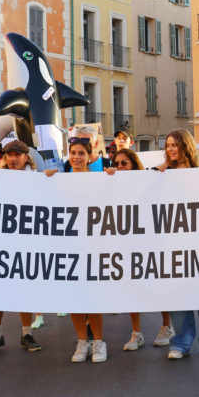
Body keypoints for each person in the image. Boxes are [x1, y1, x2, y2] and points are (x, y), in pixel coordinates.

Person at [0, 139, 45, 356]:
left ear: (25, 157)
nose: (12, 159)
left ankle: (26, 333)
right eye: (9, 155)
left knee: (24, 287)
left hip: (27, 241)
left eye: (16, 155)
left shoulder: (37, 179)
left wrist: (50, 179)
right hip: (0, 241)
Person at [159, 130, 199, 359]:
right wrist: (156, 175)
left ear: (186, 146)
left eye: (175, 144)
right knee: (179, 294)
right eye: (168, 145)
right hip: (174, 244)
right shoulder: (162, 173)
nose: (170, 149)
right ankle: (181, 342)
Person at [109, 148, 175, 350]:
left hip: (151, 241)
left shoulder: (149, 177)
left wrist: (162, 171)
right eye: (117, 163)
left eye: (124, 163)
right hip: (126, 243)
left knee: (157, 284)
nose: (120, 167)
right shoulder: (112, 183)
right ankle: (136, 333)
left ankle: (167, 326)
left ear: (133, 163)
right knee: (132, 287)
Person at [63, 136, 108, 362]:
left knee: (92, 296)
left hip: (93, 245)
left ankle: (98, 342)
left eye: (81, 153)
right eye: (73, 153)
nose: (76, 157)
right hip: (69, 245)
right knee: (74, 297)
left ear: (90, 157)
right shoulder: (59, 180)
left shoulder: (100, 179)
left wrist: (113, 180)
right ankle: (82, 341)